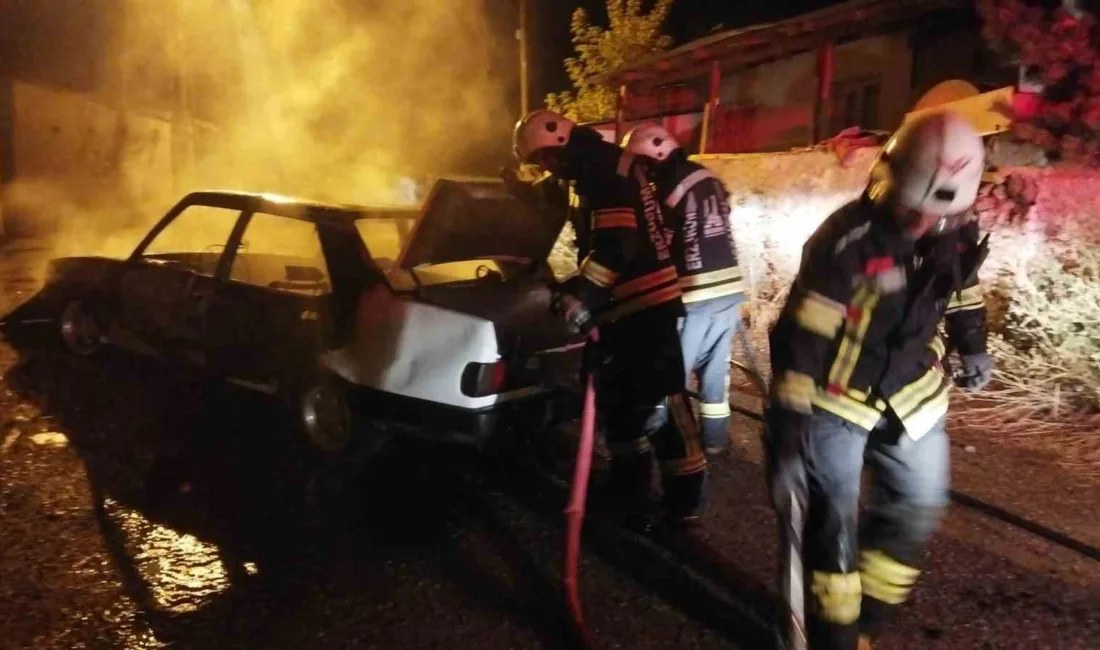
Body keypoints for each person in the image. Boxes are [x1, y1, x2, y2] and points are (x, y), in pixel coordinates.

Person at [765, 109, 993, 650]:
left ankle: (867, 622)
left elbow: (960, 287)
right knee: (831, 529)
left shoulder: (955, 225)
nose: (922, 227)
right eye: (912, 211)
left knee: (918, 508)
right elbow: (803, 341)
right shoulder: (847, 241)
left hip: (912, 394)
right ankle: (834, 636)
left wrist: (973, 344)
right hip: (834, 398)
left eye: (935, 217)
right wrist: (789, 437)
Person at [511, 109, 708, 531]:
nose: (546, 169)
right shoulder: (597, 167)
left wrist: (581, 296)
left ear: (560, 147)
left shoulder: (603, 173)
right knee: (618, 399)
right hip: (626, 306)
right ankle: (628, 485)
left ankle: (683, 503)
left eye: (544, 160)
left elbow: (617, 244)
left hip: (645, 304)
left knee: (661, 402)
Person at [622, 123, 746, 455]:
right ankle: (715, 439)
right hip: (729, 288)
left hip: (693, 291)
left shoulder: (666, 188)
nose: (643, 173)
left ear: (655, 157)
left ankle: (664, 439)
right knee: (715, 370)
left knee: (670, 370)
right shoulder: (708, 177)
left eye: (643, 165)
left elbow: (659, 240)